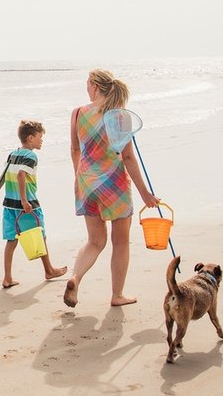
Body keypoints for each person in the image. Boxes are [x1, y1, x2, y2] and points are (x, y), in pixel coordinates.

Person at [64, 69, 159, 308]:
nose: (87, 89)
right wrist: (145, 193)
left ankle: (75, 278)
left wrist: (81, 178)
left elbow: (75, 150)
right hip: (114, 183)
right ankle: (117, 295)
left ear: (95, 86)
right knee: (121, 242)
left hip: (86, 182)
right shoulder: (121, 117)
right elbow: (127, 157)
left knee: (95, 241)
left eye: (88, 85)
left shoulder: (77, 113)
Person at [0, 120, 67, 289]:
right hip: (27, 205)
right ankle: (49, 270)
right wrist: (24, 200)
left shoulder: (13, 153)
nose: (41, 140)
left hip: (9, 205)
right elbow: (21, 175)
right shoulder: (31, 156)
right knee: (40, 234)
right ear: (31, 138)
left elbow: (4, 175)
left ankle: (7, 278)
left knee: (11, 240)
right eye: (40, 137)